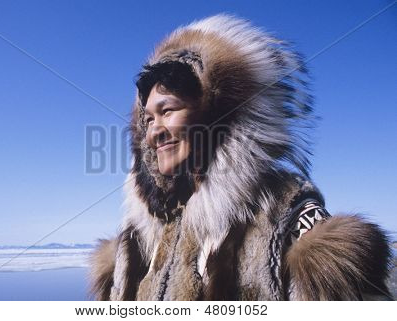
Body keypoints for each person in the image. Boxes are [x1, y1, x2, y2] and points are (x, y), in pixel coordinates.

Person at [89, 14, 392, 300]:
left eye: (168, 110)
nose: (155, 131)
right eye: (149, 119)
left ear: (215, 113)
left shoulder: (292, 223)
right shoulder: (138, 243)